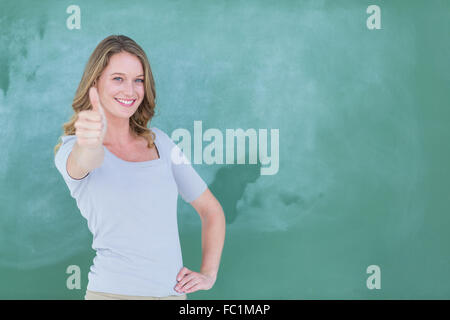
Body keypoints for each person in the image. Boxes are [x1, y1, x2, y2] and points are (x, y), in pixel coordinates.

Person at [53, 35, 226, 300]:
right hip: (112, 294)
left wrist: (209, 274)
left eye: (139, 80)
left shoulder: (162, 144)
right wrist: (89, 142)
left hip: (173, 296)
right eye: (118, 78)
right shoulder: (72, 148)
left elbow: (211, 210)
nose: (130, 90)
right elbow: (85, 161)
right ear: (95, 82)